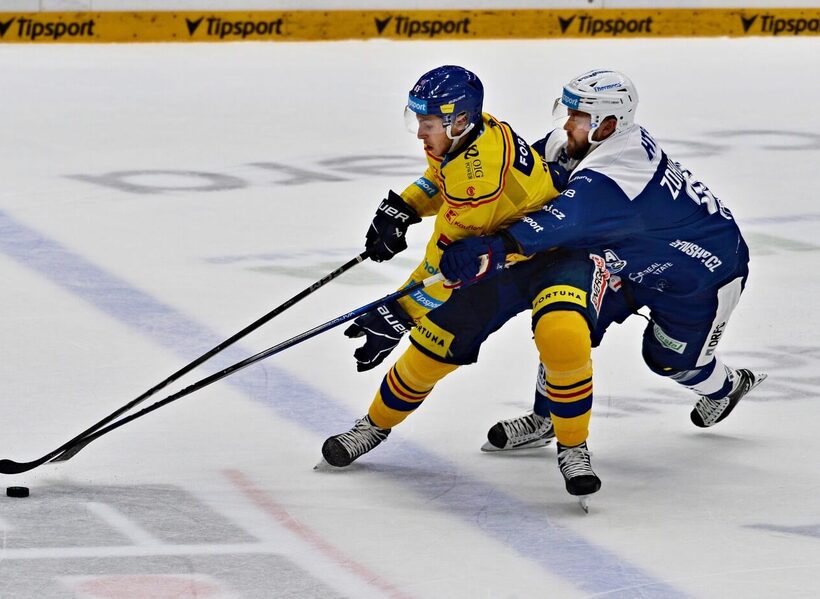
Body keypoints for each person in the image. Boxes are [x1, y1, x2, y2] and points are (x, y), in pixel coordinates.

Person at [438, 69, 766, 454]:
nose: (567, 124)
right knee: (567, 322)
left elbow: (553, 224)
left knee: (666, 360)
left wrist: (490, 247)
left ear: (607, 125)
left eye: (577, 117)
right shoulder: (592, 143)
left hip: (702, 275)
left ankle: (728, 387)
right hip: (629, 259)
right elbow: (524, 169)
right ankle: (547, 419)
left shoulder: (616, 178)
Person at [321, 65, 610, 502]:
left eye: (428, 123)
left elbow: (444, 268)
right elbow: (439, 179)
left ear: (458, 120)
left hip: (553, 254)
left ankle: (573, 446)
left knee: (563, 337)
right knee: (430, 351)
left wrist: (401, 311)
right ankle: (373, 426)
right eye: (416, 119)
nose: (420, 132)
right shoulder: (465, 136)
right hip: (498, 250)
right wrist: (403, 207)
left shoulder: (479, 179)